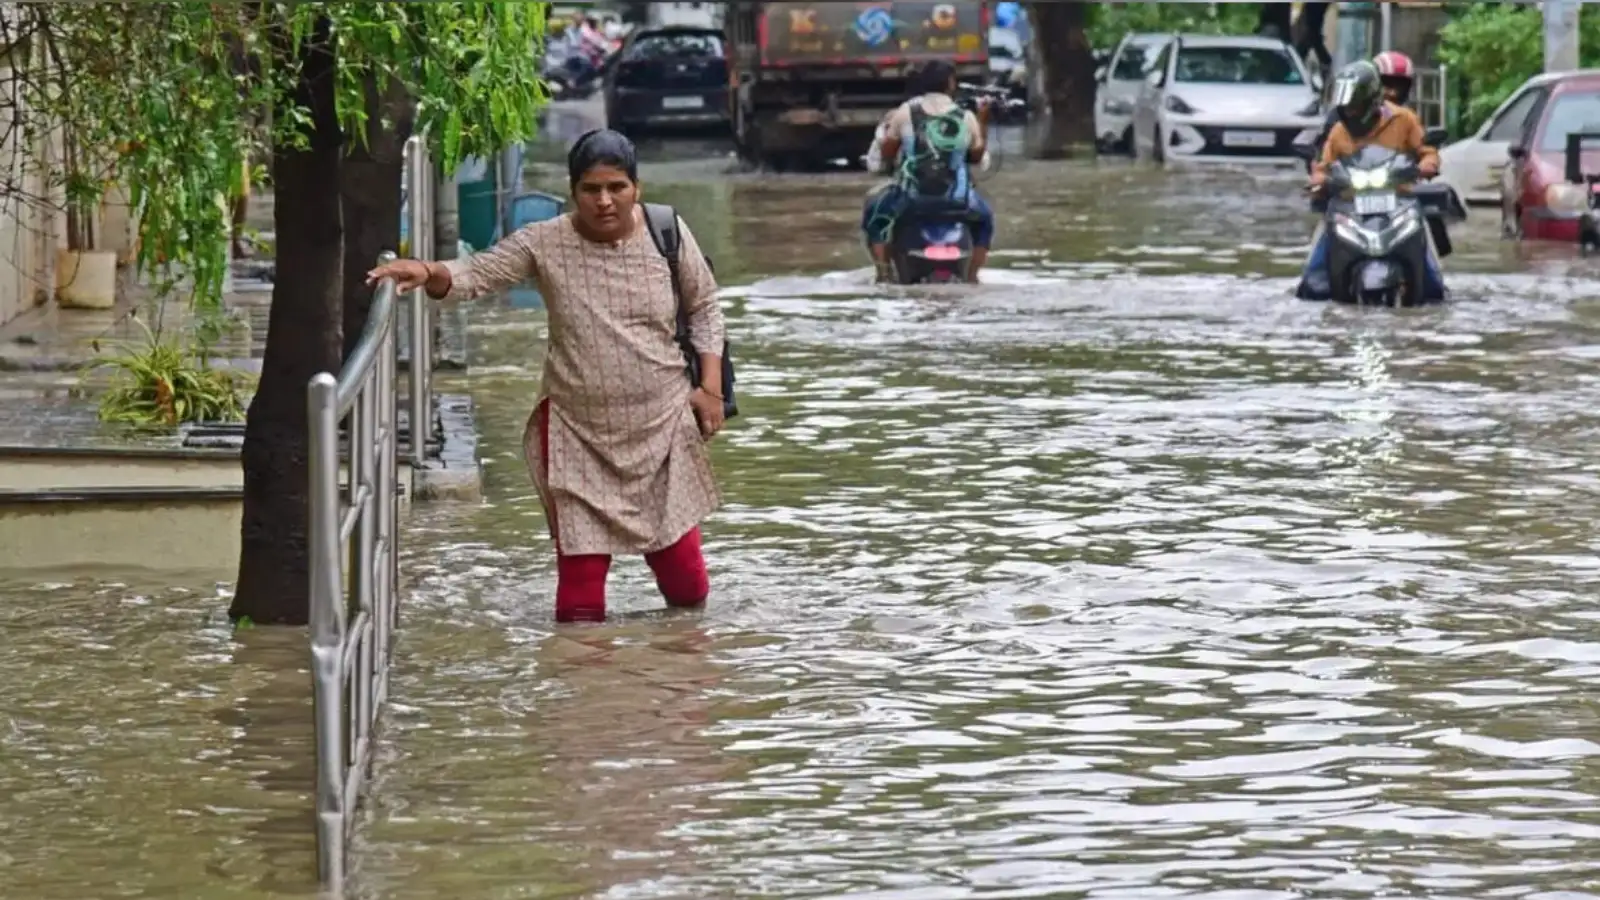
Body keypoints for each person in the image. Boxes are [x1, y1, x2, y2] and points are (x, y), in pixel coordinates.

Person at [367, 130, 727, 623]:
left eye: (616, 187)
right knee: (579, 601)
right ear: (572, 191)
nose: (604, 201)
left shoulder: (668, 233)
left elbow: (705, 308)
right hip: (579, 434)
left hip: (662, 424)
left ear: (636, 189)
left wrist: (709, 389)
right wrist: (429, 271)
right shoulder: (545, 241)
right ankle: (581, 695)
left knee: (685, 585)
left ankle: (675, 679)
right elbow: (479, 273)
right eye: (591, 189)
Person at [1298, 61, 1444, 301]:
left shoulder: (1404, 120)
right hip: (1350, 206)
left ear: (1372, 101)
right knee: (1315, 276)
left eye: (1355, 107)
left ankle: (1433, 290)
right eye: (1346, 107)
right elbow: (1324, 168)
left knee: (1431, 279)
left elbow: (1427, 151)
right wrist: (1318, 181)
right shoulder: (1338, 132)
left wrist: (1426, 165)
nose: (1350, 112)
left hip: (1398, 202)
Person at [862, 59, 995, 284]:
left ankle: (883, 273)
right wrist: (983, 119)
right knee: (985, 220)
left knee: (874, 216)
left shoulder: (905, 113)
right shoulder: (966, 117)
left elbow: (886, 153)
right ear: (950, 84)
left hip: (911, 200)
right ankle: (972, 276)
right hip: (957, 202)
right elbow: (977, 156)